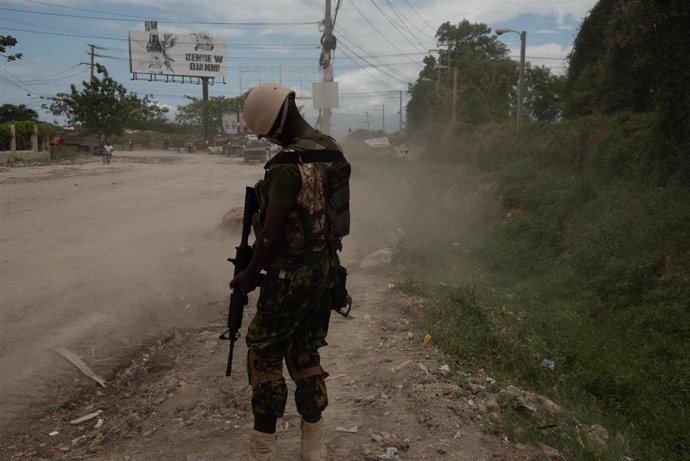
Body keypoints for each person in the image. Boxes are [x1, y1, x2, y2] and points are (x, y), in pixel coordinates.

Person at [229, 83, 350, 461]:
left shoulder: (285, 167)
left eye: (268, 134)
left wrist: (247, 276)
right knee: (304, 350)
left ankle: (263, 447)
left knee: (264, 353)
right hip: (326, 271)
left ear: (275, 124)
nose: (271, 141)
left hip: (289, 278)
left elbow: (270, 235)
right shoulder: (332, 148)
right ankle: (313, 441)